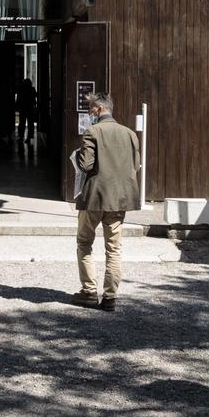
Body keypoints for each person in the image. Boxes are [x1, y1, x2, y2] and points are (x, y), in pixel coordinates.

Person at [71, 93, 140, 310]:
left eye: (91, 108)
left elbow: (85, 165)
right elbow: (135, 166)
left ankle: (89, 291)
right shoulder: (130, 134)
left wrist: (78, 153)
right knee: (114, 248)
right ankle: (110, 296)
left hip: (94, 198)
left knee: (84, 242)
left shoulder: (93, 132)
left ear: (99, 109)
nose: (89, 112)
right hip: (119, 200)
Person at [16, 77, 38, 145]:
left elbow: (19, 99)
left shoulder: (21, 89)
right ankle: (29, 137)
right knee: (30, 123)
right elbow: (34, 98)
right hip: (30, 108)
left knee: (22, 123)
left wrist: (17, 106)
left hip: (23, 108)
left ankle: (21, 137)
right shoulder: (32, 89)